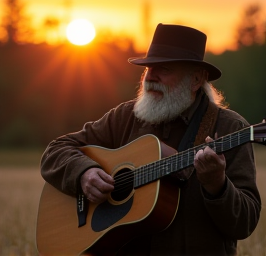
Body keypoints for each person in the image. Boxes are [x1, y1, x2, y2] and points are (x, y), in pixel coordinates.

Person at [40, 24, 261, 255]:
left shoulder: (230, 129)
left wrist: (218, 185)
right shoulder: (125, 117)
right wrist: (83, 173)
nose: (150, 77)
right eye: (147, 68)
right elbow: (56, 150)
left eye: (163, 69)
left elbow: (244, 223)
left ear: (196, 79)